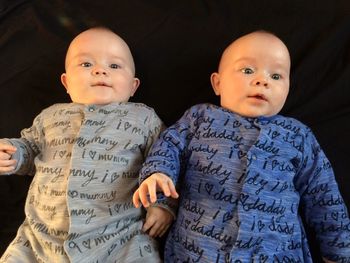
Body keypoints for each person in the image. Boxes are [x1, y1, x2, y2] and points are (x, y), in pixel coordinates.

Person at [132, 31, 350, 262]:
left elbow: (324, 194)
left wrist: (338, 252)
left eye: (276, 76)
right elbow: (168, 147)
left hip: (276, 252)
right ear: (218, 83)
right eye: (247, 70)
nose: (262, 80)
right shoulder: (199, 118)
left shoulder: (298, 135)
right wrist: (158, 177)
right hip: (198, 250)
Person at [0, 27, 174, 263]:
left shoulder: (144, 118)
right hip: (41, 237)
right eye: (86, 64)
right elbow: (30, 149)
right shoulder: (49, 117)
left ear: (133, 86)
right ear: (66, 82)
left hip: (120, 238)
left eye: (114, 66)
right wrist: (13, 153)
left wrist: (163, 205)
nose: (100, 70)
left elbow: (166, 162)